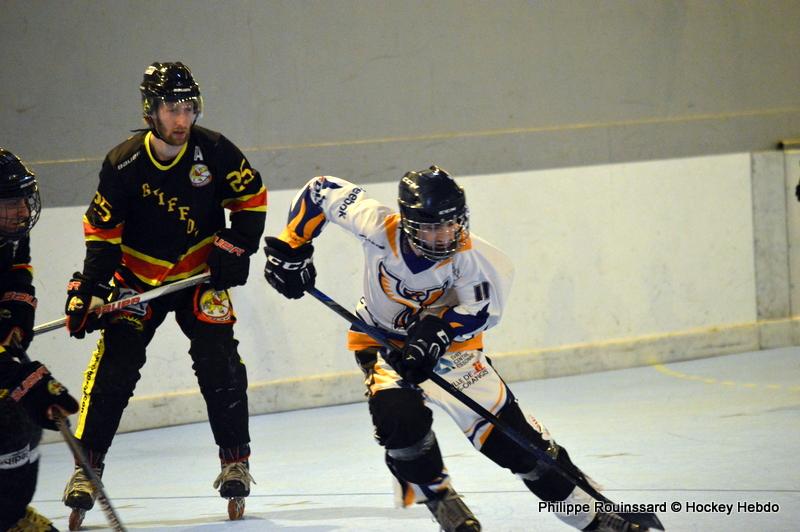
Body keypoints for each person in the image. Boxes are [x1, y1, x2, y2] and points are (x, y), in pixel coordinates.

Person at [263, 166, 648, 531]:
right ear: (411, 225)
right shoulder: (377, 225)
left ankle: (593, 517)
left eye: (451, 224)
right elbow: (320, 191)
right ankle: (437, 494)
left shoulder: (474, 258)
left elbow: (479, 313)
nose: (444, 237)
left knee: (514, 445)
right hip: (383, 341)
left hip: (454, 351)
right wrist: (294, 247)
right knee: (397, 419)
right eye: (432, 229)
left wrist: (437, 331)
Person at [61, 62, 266, 524]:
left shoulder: (215, 151)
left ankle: (235, 461)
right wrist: (91, 289)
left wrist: (236, 245)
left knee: (220, 362)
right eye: (172, 108)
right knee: (116, 366)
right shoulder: (123, 163)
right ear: (150, 111)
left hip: (198, 277)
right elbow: (102, 232)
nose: (182, 120)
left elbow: (251, 201)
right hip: (138, 280)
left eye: (189, 108)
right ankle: (85, 468)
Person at [0, 148, 80, 531]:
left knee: (19, 419)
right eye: (11, 202)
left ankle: (10, 517)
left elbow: (18, 272)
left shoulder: (12, 233)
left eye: (23, 199)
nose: (22, 211)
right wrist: (24, 379)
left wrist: (14, 315)